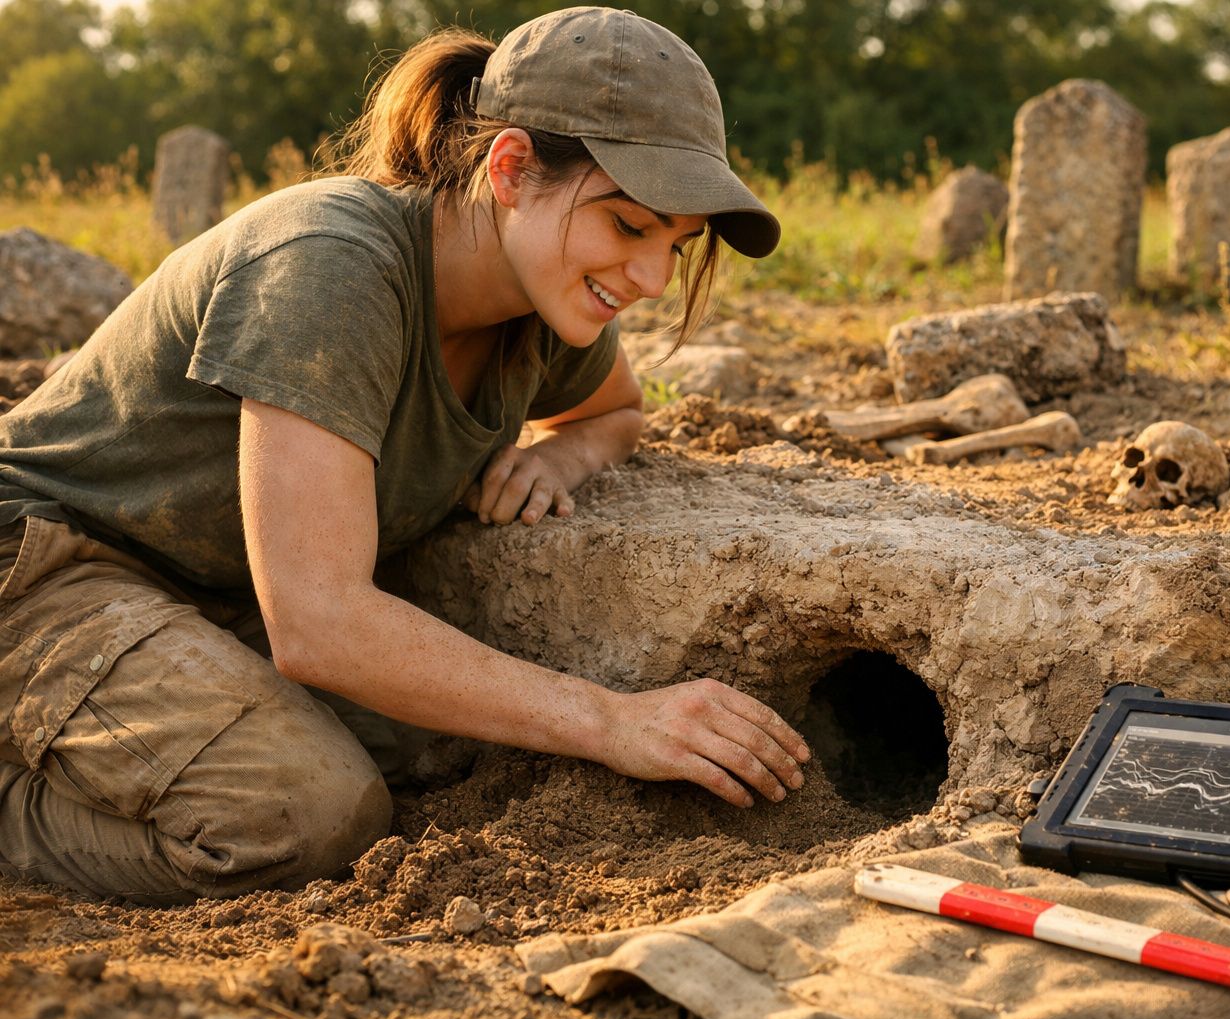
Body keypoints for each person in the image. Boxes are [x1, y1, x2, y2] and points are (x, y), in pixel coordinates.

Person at [0, 5, 810, 905]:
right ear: (510, 168)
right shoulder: (332, 263)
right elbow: (317, 621)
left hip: (207, 597)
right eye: (629, 226)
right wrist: (612, 720)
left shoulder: (546, 304)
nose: (653, 280)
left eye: (677, 243)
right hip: (44, 566)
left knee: (445, 751)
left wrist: (563, 455)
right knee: (302, 812)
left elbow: (619, 411)